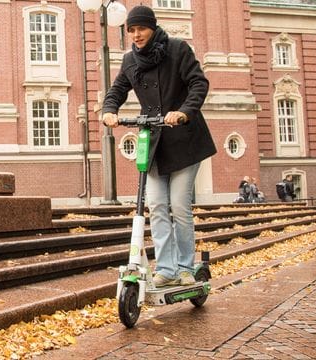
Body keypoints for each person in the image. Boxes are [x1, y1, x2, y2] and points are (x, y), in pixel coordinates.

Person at [102, 5, 216, 287]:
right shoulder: (130, 61)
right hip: (154, 143)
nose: (136, 35)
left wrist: (184, 111)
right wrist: (109, 109)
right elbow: (117, 89)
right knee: (156, 205)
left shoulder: (177, 49)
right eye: (131, 30)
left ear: (153, 27)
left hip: (185, 139)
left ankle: (185, 267)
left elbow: (198, 84)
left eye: (141, 28)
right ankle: (166, 268)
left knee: (179, 205)